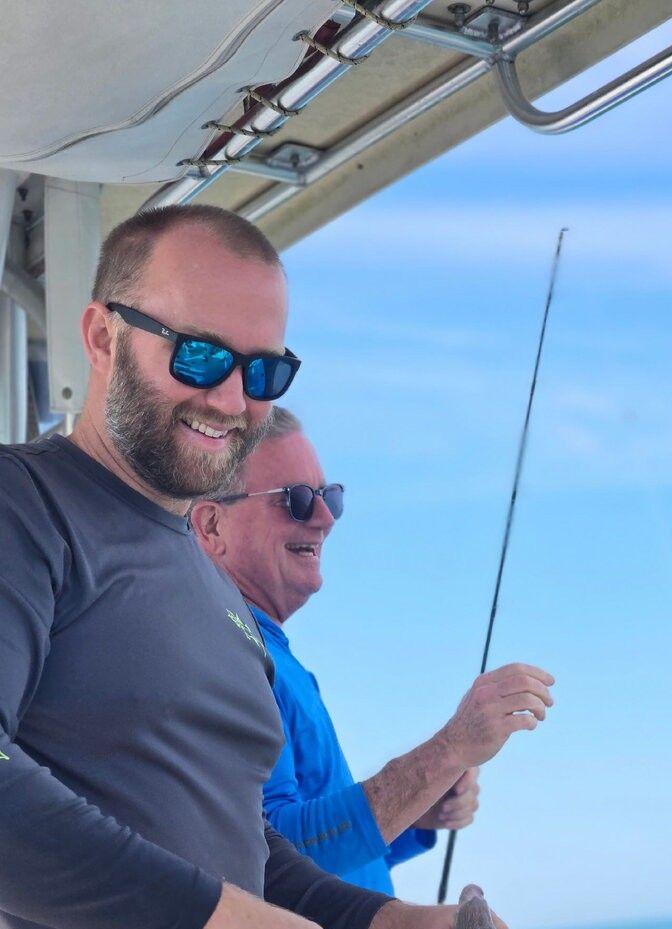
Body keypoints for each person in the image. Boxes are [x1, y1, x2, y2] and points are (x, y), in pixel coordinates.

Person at [0, 205, 507, 929]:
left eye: (264, 371)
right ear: (102, 337)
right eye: (198, 355)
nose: (233, 399)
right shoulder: (24, 503)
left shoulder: (224, 601)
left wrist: (387, 920)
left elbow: (249, 851)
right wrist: (222, 919)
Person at [191, 407, 556, 894]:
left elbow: (326, 849)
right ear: (212, 527)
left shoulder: (265, 650)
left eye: (330, 497)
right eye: (296, 500)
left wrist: (418, 810)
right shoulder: (226, 650)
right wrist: (447, 752)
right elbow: (270, 856)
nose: (325, 518)